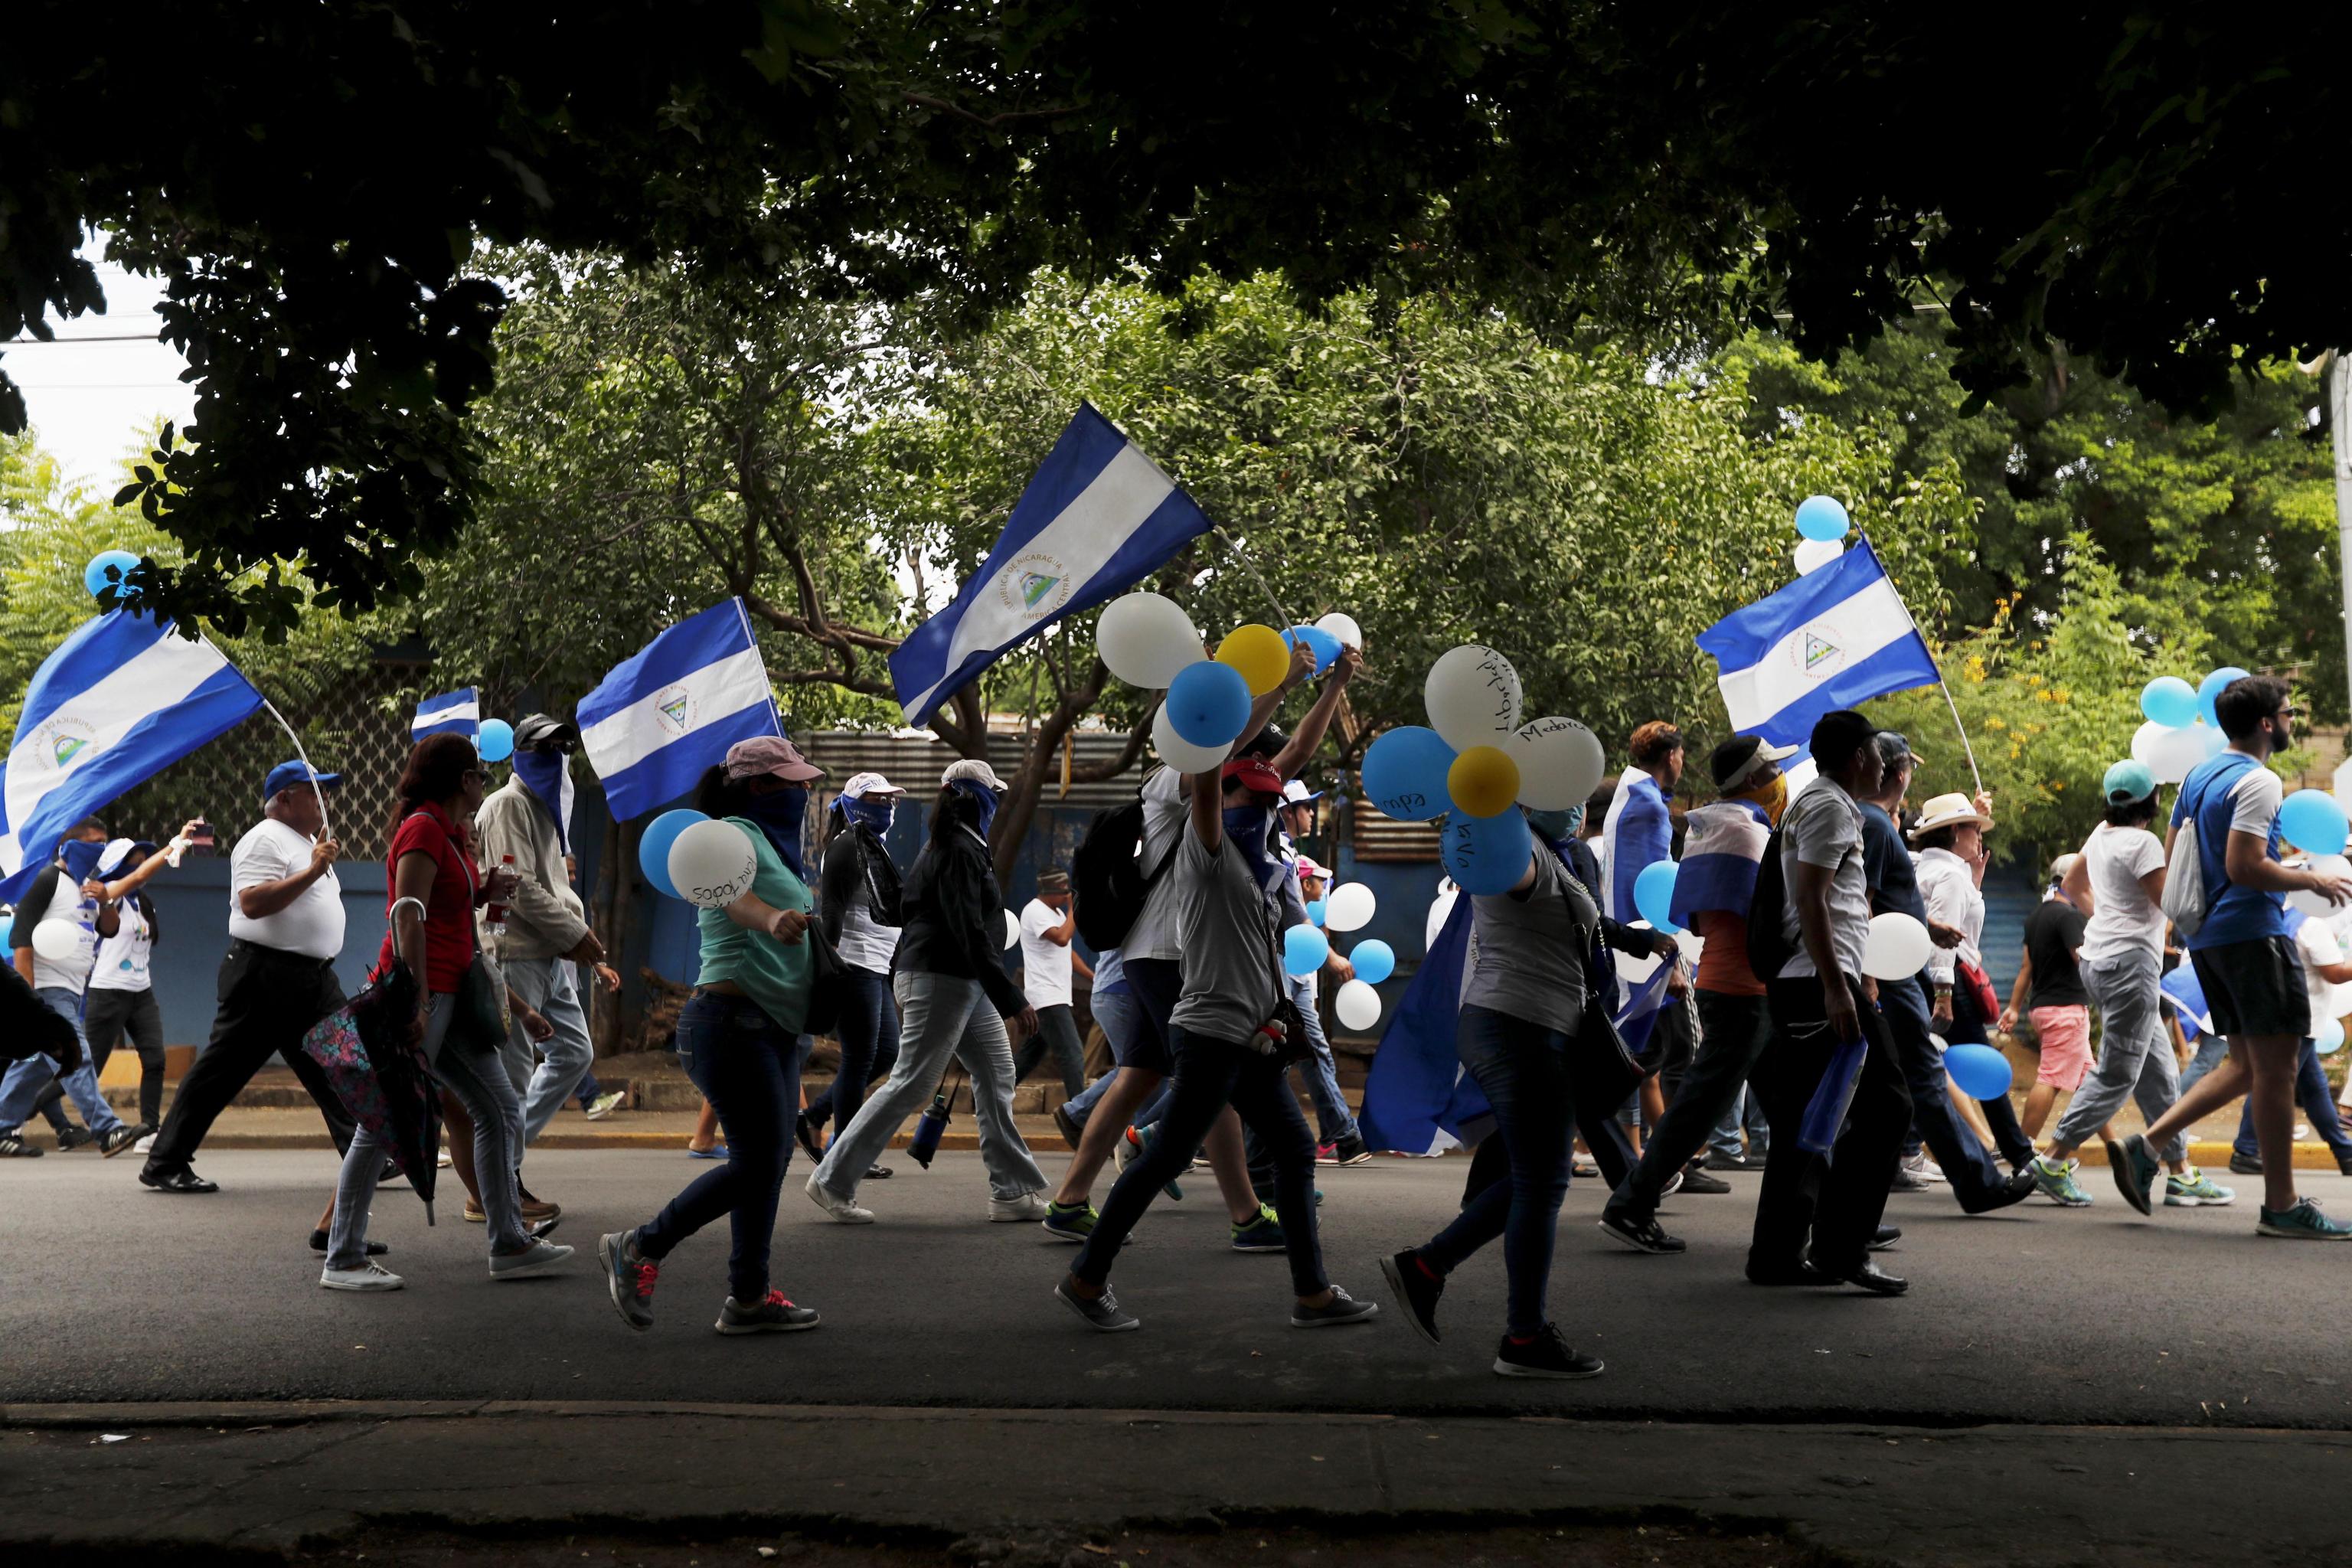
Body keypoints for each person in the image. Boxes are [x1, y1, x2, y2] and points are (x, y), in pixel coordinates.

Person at [1043, 641, 1354, 1246]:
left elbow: (1296, 755)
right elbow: (1218, 750)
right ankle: (1241, 1214)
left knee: (1141, 1074)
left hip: (1168, 958)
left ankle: (1071, 1200)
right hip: (1166, 956)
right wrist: (1282, 683)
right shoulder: (1170, 783)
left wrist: (1333, 687)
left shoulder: (1242, 793)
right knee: (1214, 1082)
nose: (1264, 780)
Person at [1057, 756, 1378, 1334]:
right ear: (1217, 800)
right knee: (1168, 1156)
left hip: (1249, 1039)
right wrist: (1210, 728)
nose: (1258, 808)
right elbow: (1204, 782)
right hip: (1209, 1034)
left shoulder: (1260, 873)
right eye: (1247, 797)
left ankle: (1312, 1292)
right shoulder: (1205, 855)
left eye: (1267, 801)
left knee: (1294, 1150)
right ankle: (1085, 1278)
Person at [319, 733, 572, 1289]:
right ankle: (344, 1257)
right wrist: (417, 996)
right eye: (480, 774)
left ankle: (509, 1242)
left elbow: (449, 914)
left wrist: (483, 893)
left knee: (501, 1109)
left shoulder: (453, 834)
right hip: (425, 994)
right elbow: (407, 913)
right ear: (464, 780)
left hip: (454, 993)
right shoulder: (424, 828)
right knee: (386, 1121)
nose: (485, 782)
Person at [598, 738, 828, 1334]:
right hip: (732, 1026)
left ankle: (749, 1297)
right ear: (757, 788)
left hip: (772, 1027)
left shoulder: (779, 850)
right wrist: (773, 917)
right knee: (757, 1165)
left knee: (769, 1162)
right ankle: (641, 1246)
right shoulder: (730, 837)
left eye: (806, 782)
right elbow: (736, 901)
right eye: (792, 782)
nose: (804, 792)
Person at [2115, 676, 2352, 1237]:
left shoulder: (2198, 777)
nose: (2293, 721)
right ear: (2267, 723)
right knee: (2277, 1071)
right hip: (2254, 934)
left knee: (2245, 1065)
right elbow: (2245, 866)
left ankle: (2145, 1148)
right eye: (2289, 713)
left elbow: (2176, 858)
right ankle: (2281, 1205)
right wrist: (2311, 879)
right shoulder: (2259, 780)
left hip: (2212, 940)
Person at [808, 759, 1050, 1223]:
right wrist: (1012, 997)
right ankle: (832, 1180)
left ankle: (1011, 1191)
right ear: (976, 799)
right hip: (941, 976)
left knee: (997, 1073)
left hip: (960, 978)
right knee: (912, 1081)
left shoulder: (959, 844)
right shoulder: (957, 848)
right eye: (992, 795)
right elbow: (968, 929)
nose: (996, 802)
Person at [1600, 735, 1795, 1254]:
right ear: (1755, 780)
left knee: (1792, 1108)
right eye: (1774, 770)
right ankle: (1630, 1203)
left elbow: (1697, 917)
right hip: (1743, 991)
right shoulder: (1746, 833)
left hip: (1731, 984)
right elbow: (1769, 917)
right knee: (1697, 1106)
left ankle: (1833, 1216)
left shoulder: (1712, 827)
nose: (1781, 779)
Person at [1747, 709, 1913, 1294]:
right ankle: (1842, 1249)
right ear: (1855, 757)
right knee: (1888, 1108)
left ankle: (1776, 1254)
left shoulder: (1824, 804)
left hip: (1815, 981)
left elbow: (1832, 902)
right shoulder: (1828, 807)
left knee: (1803, 1122)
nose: (1882, 761)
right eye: (1875, 750)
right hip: (1818, 986)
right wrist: (1838, 987)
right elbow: (1811, 900)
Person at [139, 766, 363, 1196]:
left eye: (327, 794)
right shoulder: (265, 838)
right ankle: (165, 1161)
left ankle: (365, 1151)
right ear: (283, 800)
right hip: (267, 976)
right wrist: (314, 872)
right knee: (221, 1072)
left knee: (342, 1063)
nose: (326, 801)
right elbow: (253, 902)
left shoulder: (307, 845)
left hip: (312, 979)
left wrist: (316, 867)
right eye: (315, 794)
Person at [1847, 736, 2035, 1218]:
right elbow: (1863, 906)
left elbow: (1895, 902)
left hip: (1899, 977)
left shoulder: (1884, 832)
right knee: (1915, 1084)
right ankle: (1977, 1181)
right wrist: (1872, 977)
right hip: (1893, 979)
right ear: (1898, 772)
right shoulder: (1874, 825)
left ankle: (1852, 1208)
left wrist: (1931, 924)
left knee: (1896, 1088)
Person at [2027, 761, 2219, 1206]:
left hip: (2101, 962)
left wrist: (2108, 921)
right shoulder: (2144, 842)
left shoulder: (2102, 834)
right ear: (2151, 801)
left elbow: (2073, 883)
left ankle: (2180, 1170)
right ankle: (2052, 1161)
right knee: (2118, 1072)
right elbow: (2170, 903)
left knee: (2158, 1069)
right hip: (2130, 969)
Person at [476, 714, 607, 1148]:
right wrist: (575, 933)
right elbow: (520, 890)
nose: (552, 758)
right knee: (512, 1077)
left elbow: (549, 885)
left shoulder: (545, 808)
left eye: (559, 750)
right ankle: (500, 1182)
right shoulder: (507, 805)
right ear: (518, 755)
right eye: (542, 749)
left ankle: (504, 1159)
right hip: (515, 956)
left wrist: (570, 937)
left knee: (574, 1054)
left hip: (546, 955)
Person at [1908, 790, 2035, 1174]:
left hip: (1928, 980)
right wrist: (1945, 994)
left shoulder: (1931, 868)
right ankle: (2019, 1155)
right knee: (1983, 1066)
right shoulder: (1947, 874)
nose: (1980, 836)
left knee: (1922, 1068)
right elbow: (1947, 939)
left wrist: (1974, 879)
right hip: (1950, 984)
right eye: (1973, 828)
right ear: (1952, 832)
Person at [0, 821, 140, 1157]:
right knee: (76, 1054)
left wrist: (105, 900)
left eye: (104, 842)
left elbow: (109, 929)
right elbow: (21, 937)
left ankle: (2, 1128)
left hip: (74, 988)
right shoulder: (49, 880)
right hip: (48, 989)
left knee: (32, 1067)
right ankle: (107, 1131)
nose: (101, 849)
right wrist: (28, 1000)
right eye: (94, 842)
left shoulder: (90, 886)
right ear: (70, 846)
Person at [799, 771, 906, 1178]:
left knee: (887, 1053)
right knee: (861, 1058)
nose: (887, 807)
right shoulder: (846, 848)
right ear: (856, 804)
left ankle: (814, 1118)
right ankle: (845, 1154)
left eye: (890, 801)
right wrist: (827, 973)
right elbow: (832, 914)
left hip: (876, 967)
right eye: (878, 801)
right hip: (855, 965)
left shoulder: (872, 846)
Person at [2223, 898, 2352, 1176]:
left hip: (2286, 1015)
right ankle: (2246, 1149)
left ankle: (2344, 1152)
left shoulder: (2284, 917)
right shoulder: (2313, 924)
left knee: (2314, 1089)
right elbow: (2335, 973)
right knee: (2268, 1083)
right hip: (2300, 1018)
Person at [1999, 855, 2092, 1141]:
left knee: (2091, 1082)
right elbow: (2084, 962)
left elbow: (2027, 967)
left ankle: (2114, 1145)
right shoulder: (2069, 917)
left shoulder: (2037, 916)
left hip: (2043, 1008)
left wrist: (2014, 1008)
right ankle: (2023, 1150)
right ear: (2070, 882)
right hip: (2065, 1011)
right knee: (2051, 1079)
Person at [1294, 856, 1370, 1166]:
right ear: (1305, 883)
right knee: (1314, 1055)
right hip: (1282, 984)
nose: (1326, 887)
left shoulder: (1310, 916)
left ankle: (1334, 1137)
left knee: (1299, 1061)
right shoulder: (1291, 904)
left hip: (1294, 985)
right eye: (1321, 881)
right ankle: (1343, 1136)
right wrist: (1333, 957)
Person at [1013, 870, 1093, 1101]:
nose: (1067, 895)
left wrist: (1092, 976)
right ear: (1051, 891)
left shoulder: (1056, 913)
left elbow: (1067, 951)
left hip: (1055, 995)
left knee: (1030, 1056)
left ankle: (990, 1094)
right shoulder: (1035, 911)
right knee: (1073, 1054)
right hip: (1047, 997)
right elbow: (1062, 938)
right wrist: (1074, 910)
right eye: (1064, 891)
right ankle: (1078, 1112)